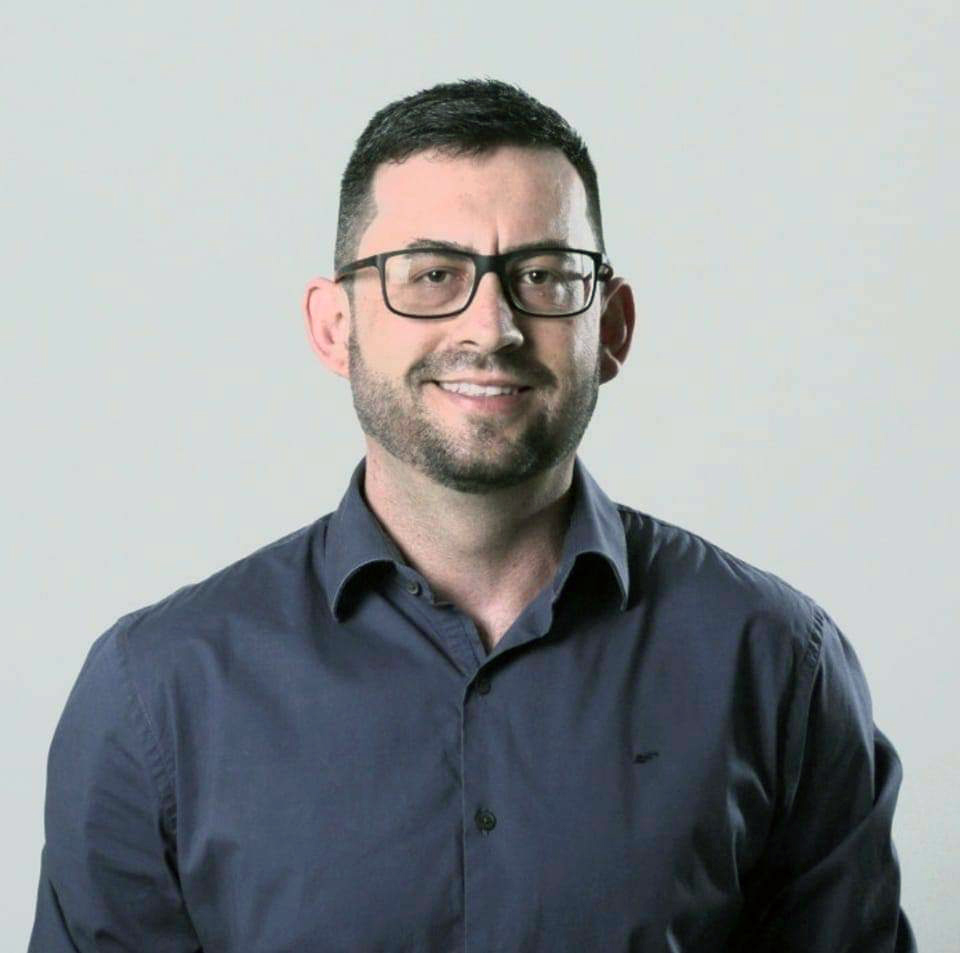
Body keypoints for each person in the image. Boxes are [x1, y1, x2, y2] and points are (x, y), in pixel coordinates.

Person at [29, 78, 916, 952]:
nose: (491, 328)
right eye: (431, 274)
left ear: (611, 327)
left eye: (543, 274)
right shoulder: (158, 693)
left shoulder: (776, 664)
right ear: (335, 326)